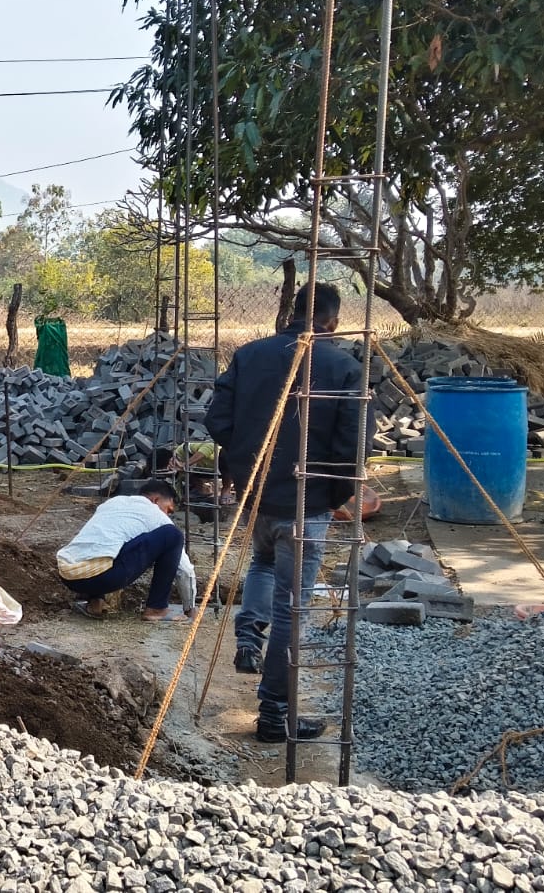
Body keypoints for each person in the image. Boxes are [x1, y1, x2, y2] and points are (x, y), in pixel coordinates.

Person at [206, 282, 362, 743]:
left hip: (257, 496)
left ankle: (248, 639)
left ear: (292, 312)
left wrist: (244, 468)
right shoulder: (345, 367)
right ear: (334, 321)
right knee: (293, 609)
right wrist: (332, 498)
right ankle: (275, 716)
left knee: (263, 560)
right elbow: (352, 447)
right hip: (305, 504)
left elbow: (217, 421)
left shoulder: (250, 355)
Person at [57, 479, 197, 621]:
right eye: (168, 510)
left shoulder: (112, 503)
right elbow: (184, 570)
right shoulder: (156, 514)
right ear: (155, 500)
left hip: (69, 575)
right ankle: (156, 609)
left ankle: (96, 602)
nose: (168, 515)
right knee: (173, 535)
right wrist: (190, 608)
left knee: (108, 544)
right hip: (103, 577)